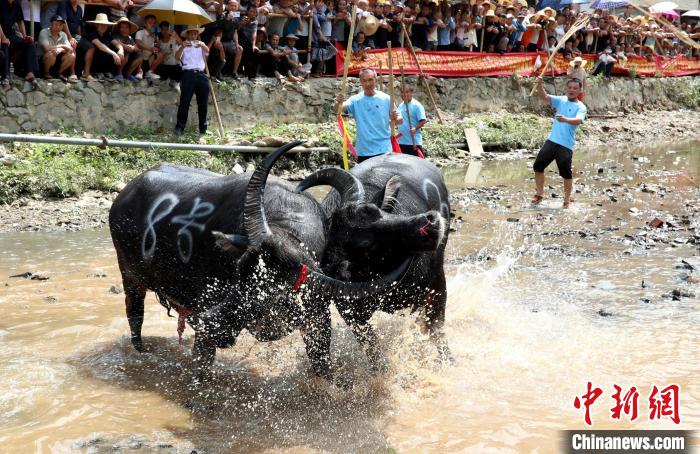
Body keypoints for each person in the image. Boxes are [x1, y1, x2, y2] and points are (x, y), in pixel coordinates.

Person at [531, 76, 586, 209]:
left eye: (575, 88)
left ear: (580, 91)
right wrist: (539, 85)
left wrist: (566, 119)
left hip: (566, 145)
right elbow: (545, 97)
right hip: (552, 141)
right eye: (570, 87)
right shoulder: (561, 100)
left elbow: (579, 120)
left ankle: (566, 200)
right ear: (567, 88)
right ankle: (539, 194)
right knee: (538, 167)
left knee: (566, 174)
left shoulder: (581, 107)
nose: (571, 90)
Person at [336, 68, 402, 163]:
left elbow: (400, 119)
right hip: (364, 151)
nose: (367, 84)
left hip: (384, 150)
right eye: (364, 81)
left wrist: (395, 118)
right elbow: (338, 110)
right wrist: (339, 102)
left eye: (370, 80)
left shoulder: (386, 99)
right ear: (361, 82)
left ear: (376, 80)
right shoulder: (355, 100)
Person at [174, 25, 210, 137]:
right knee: (184, 102)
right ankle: (179, 128)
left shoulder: (201, 45)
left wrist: (203, 46)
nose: (192, 35)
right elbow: (176, 57)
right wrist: (182, 47)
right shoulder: (182, 45)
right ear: (187, 35)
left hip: (201, 74)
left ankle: (203, 129)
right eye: (190, 33)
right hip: (188, 74)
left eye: (195, 33)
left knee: (203, 103)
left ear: (197, 35)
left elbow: (208, 52)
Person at [39, 15, 77, 81]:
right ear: (51, 24)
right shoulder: (44, 32)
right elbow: (46, 48)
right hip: (44, 60)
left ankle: (58, 73)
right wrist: (61, 46)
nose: (58, 27)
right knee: (51, 53)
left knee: (72, 55)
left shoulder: (63, 34)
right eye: (56, 24)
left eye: (61, 25)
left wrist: (60, 49)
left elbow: (70, 48)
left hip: (58, 59)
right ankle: (46, 73)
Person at [397, 83, 427, 157]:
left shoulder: (417, 105)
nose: (404, 94)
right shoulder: (400, 106)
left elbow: (423, 120)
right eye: (402, 92)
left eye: (407, 92)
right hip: (402, 141)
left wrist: (415, 128)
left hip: (413, 142)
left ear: (411, 93)